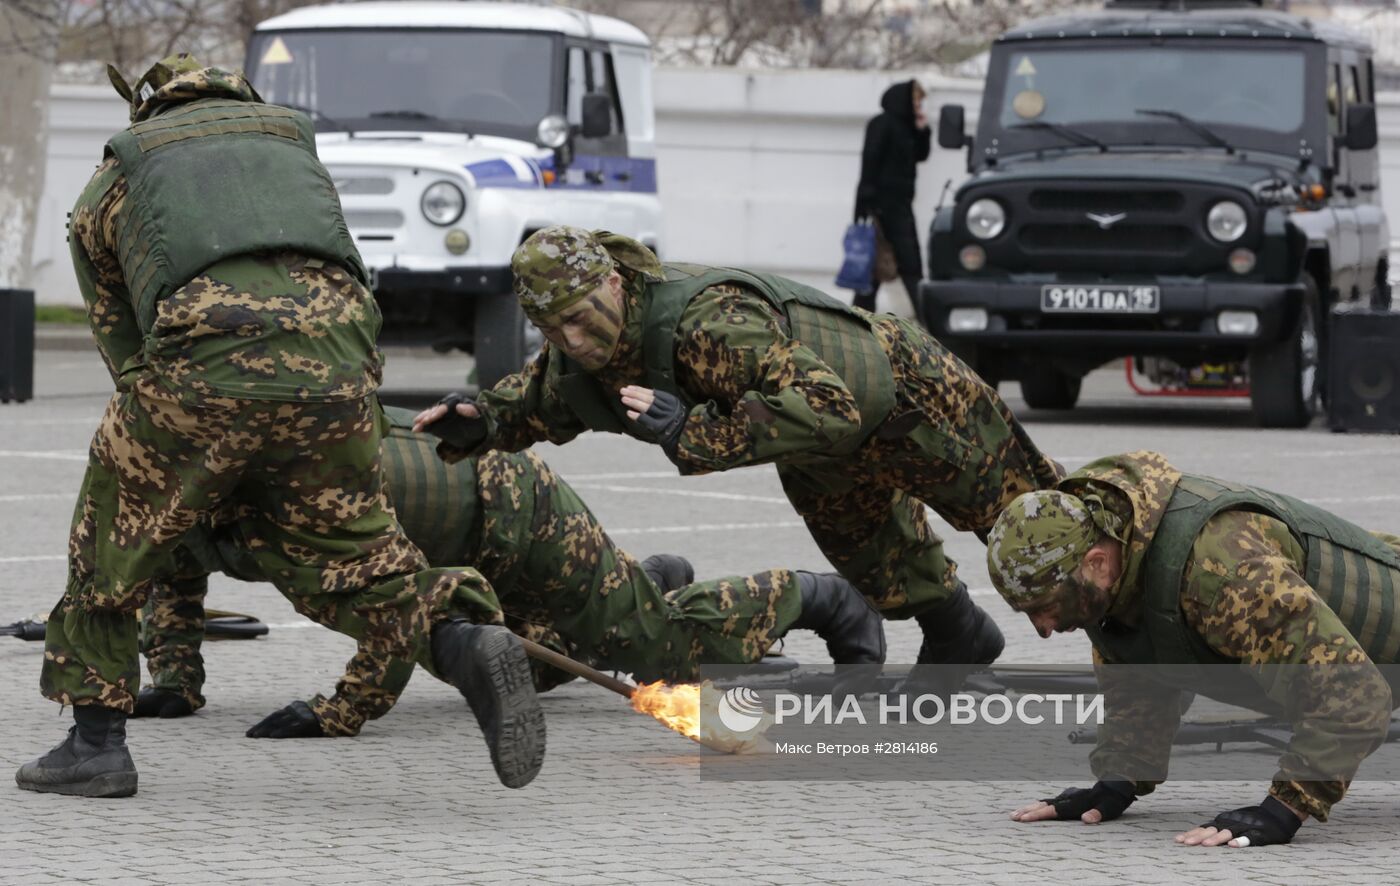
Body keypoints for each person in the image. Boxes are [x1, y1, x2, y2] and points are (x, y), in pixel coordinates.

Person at [15, 55, 544, 798]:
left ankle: (94, 745)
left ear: (149, 107)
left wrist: (171, 438)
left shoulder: (124, 172)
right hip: (338, 372)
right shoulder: (296, 157)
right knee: (350, 555)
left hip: (204, 368)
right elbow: (352, 276)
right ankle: (458, 640)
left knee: (109, 543)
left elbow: (119, 338)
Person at [415, 225, 1065, 692]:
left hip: (913, 400)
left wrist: (692, 430)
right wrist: (484, 421)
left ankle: (1149, 674)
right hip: (819, 447)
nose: (575, 341)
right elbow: (541, 399)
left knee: (1046, 533)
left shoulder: (710, 321)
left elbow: (825, 400)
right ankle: (962, 639)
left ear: (613, 281)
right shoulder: (586, 354)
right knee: (882, 563)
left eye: (583, 318)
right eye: (555, 330)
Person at [134, 406, 886, 735]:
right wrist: (174, 682)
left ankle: (827, 600)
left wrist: (342, 712)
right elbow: (170, 570)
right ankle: (647, 582)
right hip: (461, 547)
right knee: (522, 667)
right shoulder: (187, 494)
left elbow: (396, 605)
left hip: (517, 514)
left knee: (661, 655)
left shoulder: (294, 503)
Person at [985, 450, 1400, 848]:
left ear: (1096, 562)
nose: (1043, 629)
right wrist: (1117, 781)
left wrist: (1286, 807)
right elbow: (1140, 669)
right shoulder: (1118, 564)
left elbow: (1355, 697)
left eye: (1047, 607)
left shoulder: (1221, 573)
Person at [852, 79, 930, 313]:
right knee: (874, 264)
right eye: (915, 100)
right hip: (880, 206)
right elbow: (870, 160)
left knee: (889, 265)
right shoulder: (882, 124)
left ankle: (861, 314)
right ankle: (861, 314)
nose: (917, 105)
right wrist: (866, 202)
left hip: (899, 206)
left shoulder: (907, 127)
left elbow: (921, 155)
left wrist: (923, 130)